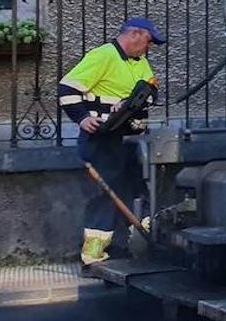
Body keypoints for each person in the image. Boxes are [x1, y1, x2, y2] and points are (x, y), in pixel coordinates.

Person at [57, 17, 164, 269]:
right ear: (134, 34)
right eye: (147, 42)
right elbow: (67, 89)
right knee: (106, 195)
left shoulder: (140, 62)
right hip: (103, 139)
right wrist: (83, 119)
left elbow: (149, 92)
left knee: (136, 190)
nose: (147, 48)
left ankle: (142, 245)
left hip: (129, 139)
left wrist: (131, 102)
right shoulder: (103, 55)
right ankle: (93, 255)